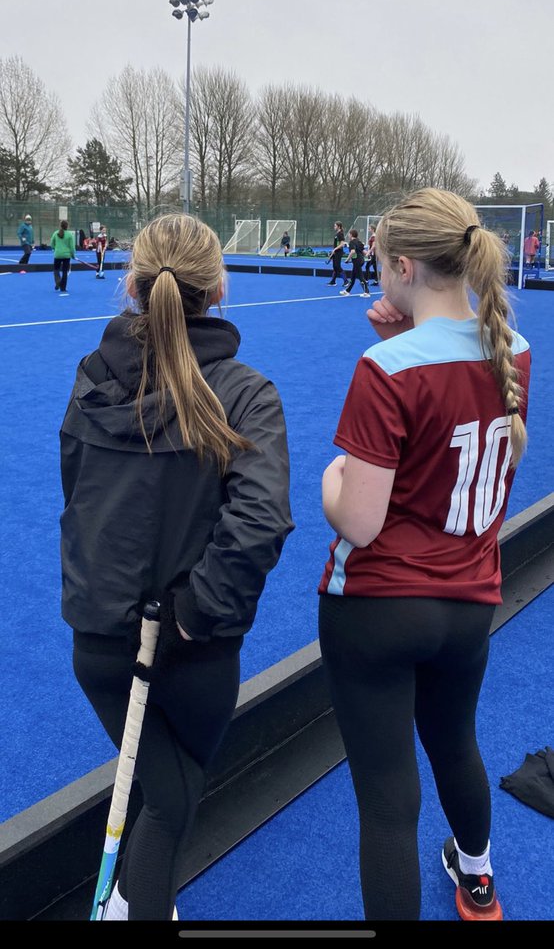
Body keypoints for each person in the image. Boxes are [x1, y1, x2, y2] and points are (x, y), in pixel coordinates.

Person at [58, 212, 294, 921]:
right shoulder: (247, 391)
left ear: (130, 284)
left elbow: (76, 493)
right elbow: (261, 519)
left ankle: (131, 899)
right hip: (193, 652)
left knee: (168, 791)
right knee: (170, 800)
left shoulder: (92, 377)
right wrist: (194, 612)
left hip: (102, 641)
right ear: (219, 287)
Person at [317, 187, 531, 922]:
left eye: (381, 266)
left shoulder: (388, 368)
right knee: (456, 744)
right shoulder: (516, 352)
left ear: (403, 266)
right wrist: (397, 338)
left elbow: (362, 521)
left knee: (386, 801)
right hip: (469, 604)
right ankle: (478, 879)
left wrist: (328, 481)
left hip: (377, 608)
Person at [340, 229, 369, 295]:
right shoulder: (359, 242)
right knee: (353, 277)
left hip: (357, 261)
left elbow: (352, 252)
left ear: (351, 235)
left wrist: (347, 259)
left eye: (349, 234)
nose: (349, 235)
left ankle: (367, 292)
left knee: (361, 277)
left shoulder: (352, 242)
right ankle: (347, 291)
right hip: (361, 260)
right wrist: (368, 255)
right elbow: (364, 251)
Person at [50, 219, 76, 294]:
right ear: (67, 226)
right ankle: (63, 288)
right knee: (65, 271)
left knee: (56, 270)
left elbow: (52, 244)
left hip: (57, 254)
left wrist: (55, 249)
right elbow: (72, 247)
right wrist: (73, 255)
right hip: (66, 256)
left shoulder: (55, 233)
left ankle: (58, 282)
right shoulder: (69, 235)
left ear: (60, 226)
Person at [326, 221, 348, 286]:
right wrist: (333, 251)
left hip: (339, 252)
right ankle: (333, 281)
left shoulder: (340, 234)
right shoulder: (337, 233)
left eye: (335, 226)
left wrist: (335, 249)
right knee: (335, 267)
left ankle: (346, 281)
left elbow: (342, 244)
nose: (334, 227)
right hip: (336, 252)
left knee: (338, 266)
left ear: (339, 226)